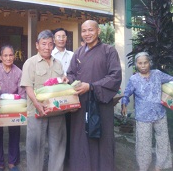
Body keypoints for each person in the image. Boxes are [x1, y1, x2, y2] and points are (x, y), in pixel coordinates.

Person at [66, 20, 122, 171]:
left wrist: (91, 87)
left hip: (100, 103)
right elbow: (71, 73)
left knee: (102, 138)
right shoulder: (78, 52)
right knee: (80, 139)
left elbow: (115, 77)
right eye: (84, 31)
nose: (87, 34)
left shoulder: (108, 51)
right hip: (81, 103)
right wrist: (68, 80)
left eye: (90, 30)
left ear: (98, 31)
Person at [20, 29, 67, 171]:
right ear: (37, 45)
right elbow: (28, 87)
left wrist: (64, 80)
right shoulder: (30, 63)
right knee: (35, 148)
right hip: (36, 111)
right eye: (44, 44)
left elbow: (60, 84)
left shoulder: (58, 63)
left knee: (58, 146)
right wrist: (37, 104)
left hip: (56, 112)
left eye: (50, 44)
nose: (47, 47)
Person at [121, 52, 173, 171]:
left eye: (145, 62)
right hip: (143, 117)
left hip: (160, 115)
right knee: (143, 145)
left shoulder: (157, 74)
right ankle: (143, 168)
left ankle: (159, 166)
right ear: (136, 65)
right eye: (140, 63)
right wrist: (124, 104)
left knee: (163, 141)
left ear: (150, 63)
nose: (143, 65)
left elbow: (171, 80)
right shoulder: (134, 79)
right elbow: (127, 93)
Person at [0, 45, 26, 171]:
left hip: (14, 108)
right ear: (0, 57)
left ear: (14, 56)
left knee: (15, 133)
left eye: (11, 55)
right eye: (5, 55)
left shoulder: (19, 72)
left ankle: (12, 162)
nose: (8, 58)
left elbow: (22, 94)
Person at [51, 27, 74, 162]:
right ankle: (55, 156)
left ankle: (68, 156)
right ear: (54, 40)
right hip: (55, 95)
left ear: (66, 38)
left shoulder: (72, 55)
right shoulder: (50, 55)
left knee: (70, 125)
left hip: (70, 95)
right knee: (56, 127)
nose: (61, 39)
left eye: (63, 36)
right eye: (58, 36)